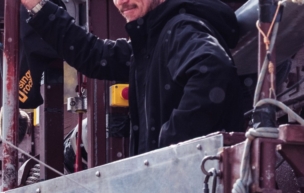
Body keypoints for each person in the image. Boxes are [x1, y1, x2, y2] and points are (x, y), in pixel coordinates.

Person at [20, 0, 244, 154]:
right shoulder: (153, 40)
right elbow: (95, 55)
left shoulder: (181, 28)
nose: (122, 1)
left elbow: (214, 68)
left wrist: (170, 146)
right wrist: (38, 6)